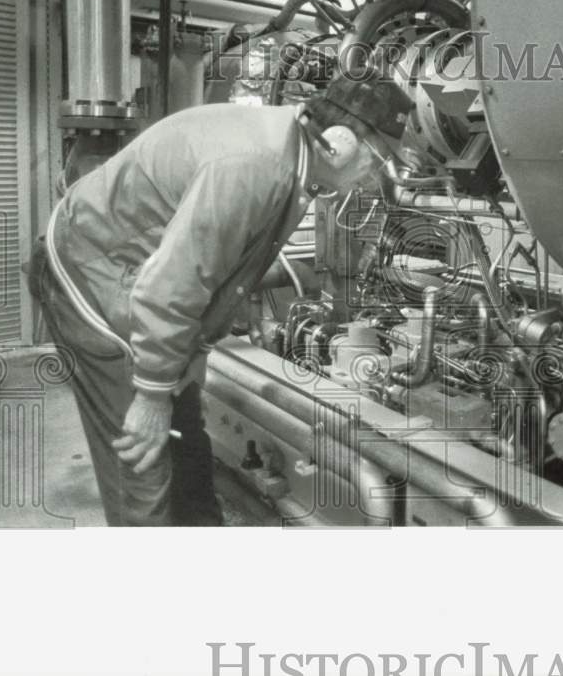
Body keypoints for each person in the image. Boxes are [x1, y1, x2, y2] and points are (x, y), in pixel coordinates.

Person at [27, 72, 414, 526]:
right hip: (90, 273)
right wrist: (151, 397)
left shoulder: (292, 156)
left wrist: (192, 358)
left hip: (141, 279)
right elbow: (167, 289)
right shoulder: (257, 165)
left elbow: (224, 266)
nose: (376, 175)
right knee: (142, 458)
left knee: (187, 444)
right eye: (380, 158)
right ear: (342, 141)